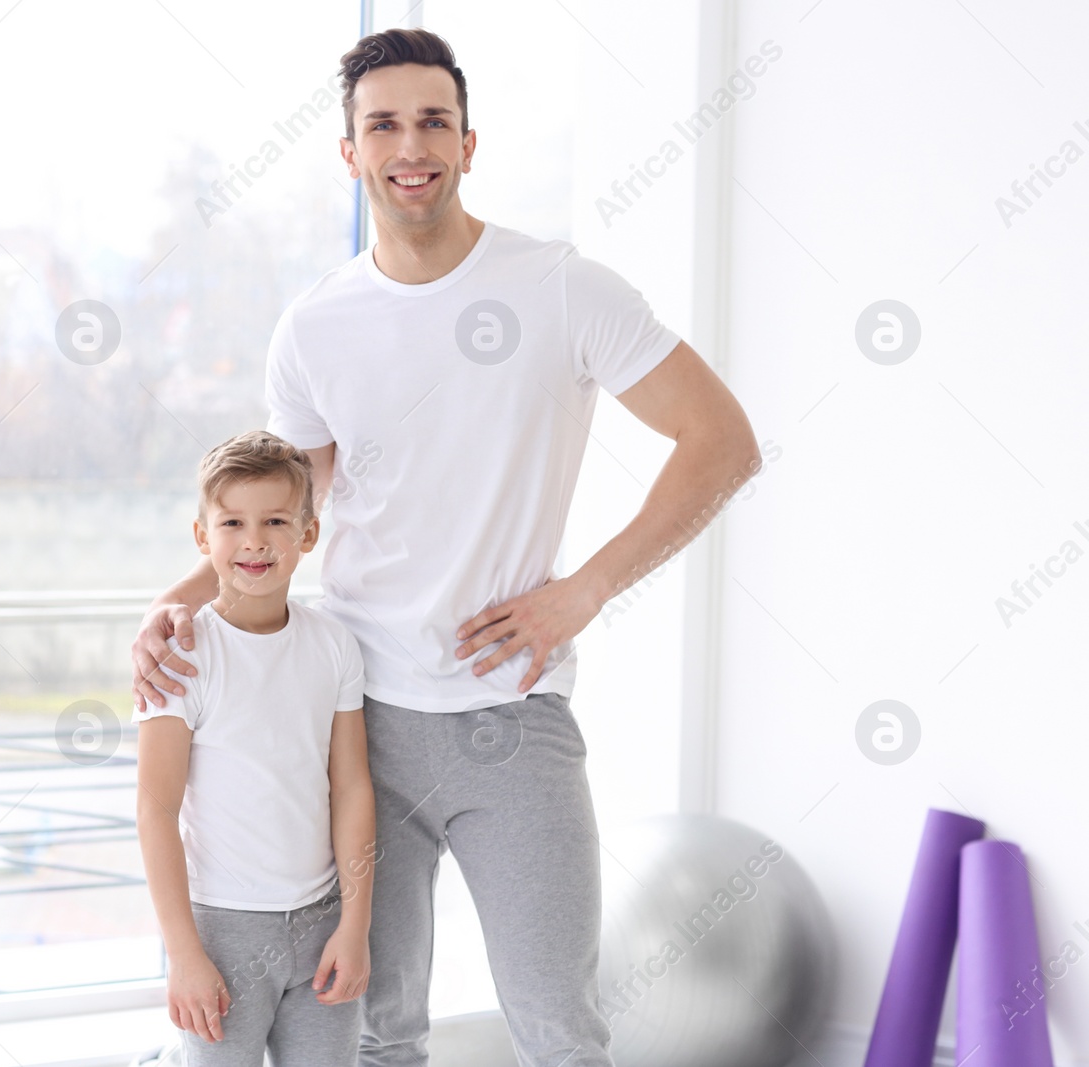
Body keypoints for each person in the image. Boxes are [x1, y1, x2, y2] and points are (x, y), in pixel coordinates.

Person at [132, 28, 763, 1067]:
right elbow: (284, 516)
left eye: (433, 121)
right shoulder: (315, 325)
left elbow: (723, 441)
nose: (410, 145)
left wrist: (585, 589)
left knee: (559, 1023)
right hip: (357, 719)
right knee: (378, 1028)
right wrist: (174, 603)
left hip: (514, 715)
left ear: (469, 143)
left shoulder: (562, 287)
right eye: (383, 124)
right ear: (350, 152)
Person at [134, 430, 377, 1067]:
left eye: (275, 521)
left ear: (308, 533)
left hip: (322, 923)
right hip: (221, 931)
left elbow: (352, 787)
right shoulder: (181, 657)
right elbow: (156, 811)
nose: (255, 541)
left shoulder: (334, 645)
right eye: (232, 522)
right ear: (202, 536)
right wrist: (184, 955)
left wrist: (354, 927)